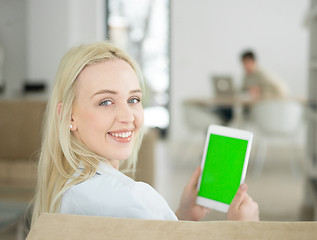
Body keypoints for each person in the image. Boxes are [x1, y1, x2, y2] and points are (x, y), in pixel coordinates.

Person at [31, 42, 259, 226]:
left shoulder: (62, 189)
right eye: (106, 101)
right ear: (69, 116)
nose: (128, 117)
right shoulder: (135, 199)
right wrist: (243, 230)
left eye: (133, 100)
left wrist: (183, 215)